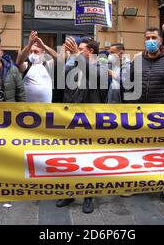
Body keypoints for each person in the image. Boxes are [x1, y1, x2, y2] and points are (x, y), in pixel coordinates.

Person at [125, 26, 164, 206]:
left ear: (160, 40)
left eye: (154, 37)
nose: (150, 40)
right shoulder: (138, 60)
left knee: (162, 151)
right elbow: (130, 84)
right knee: (137, 149)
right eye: (147, 37)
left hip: (161, 115)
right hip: (139, 113)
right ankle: (134, 183)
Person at [55, 37, 108, 214]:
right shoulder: (72, 66)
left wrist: (76, 55)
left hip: (91, 121)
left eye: (80, 49)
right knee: (70, 158)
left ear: (90, 52)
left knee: (88, 159)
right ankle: (69, 192)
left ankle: (88, 196)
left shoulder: (100, 67)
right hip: (71, 119)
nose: (76, 51)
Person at [16, 30, 57, 103]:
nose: (33, 54)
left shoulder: (47, 65)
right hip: (29, 108)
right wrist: (29, 45)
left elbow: (58, 58)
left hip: (45, 109)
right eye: (31, 52)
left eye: (36, 51)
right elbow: (19, 62)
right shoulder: (26, 65)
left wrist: (43, 46)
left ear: (42, 52)